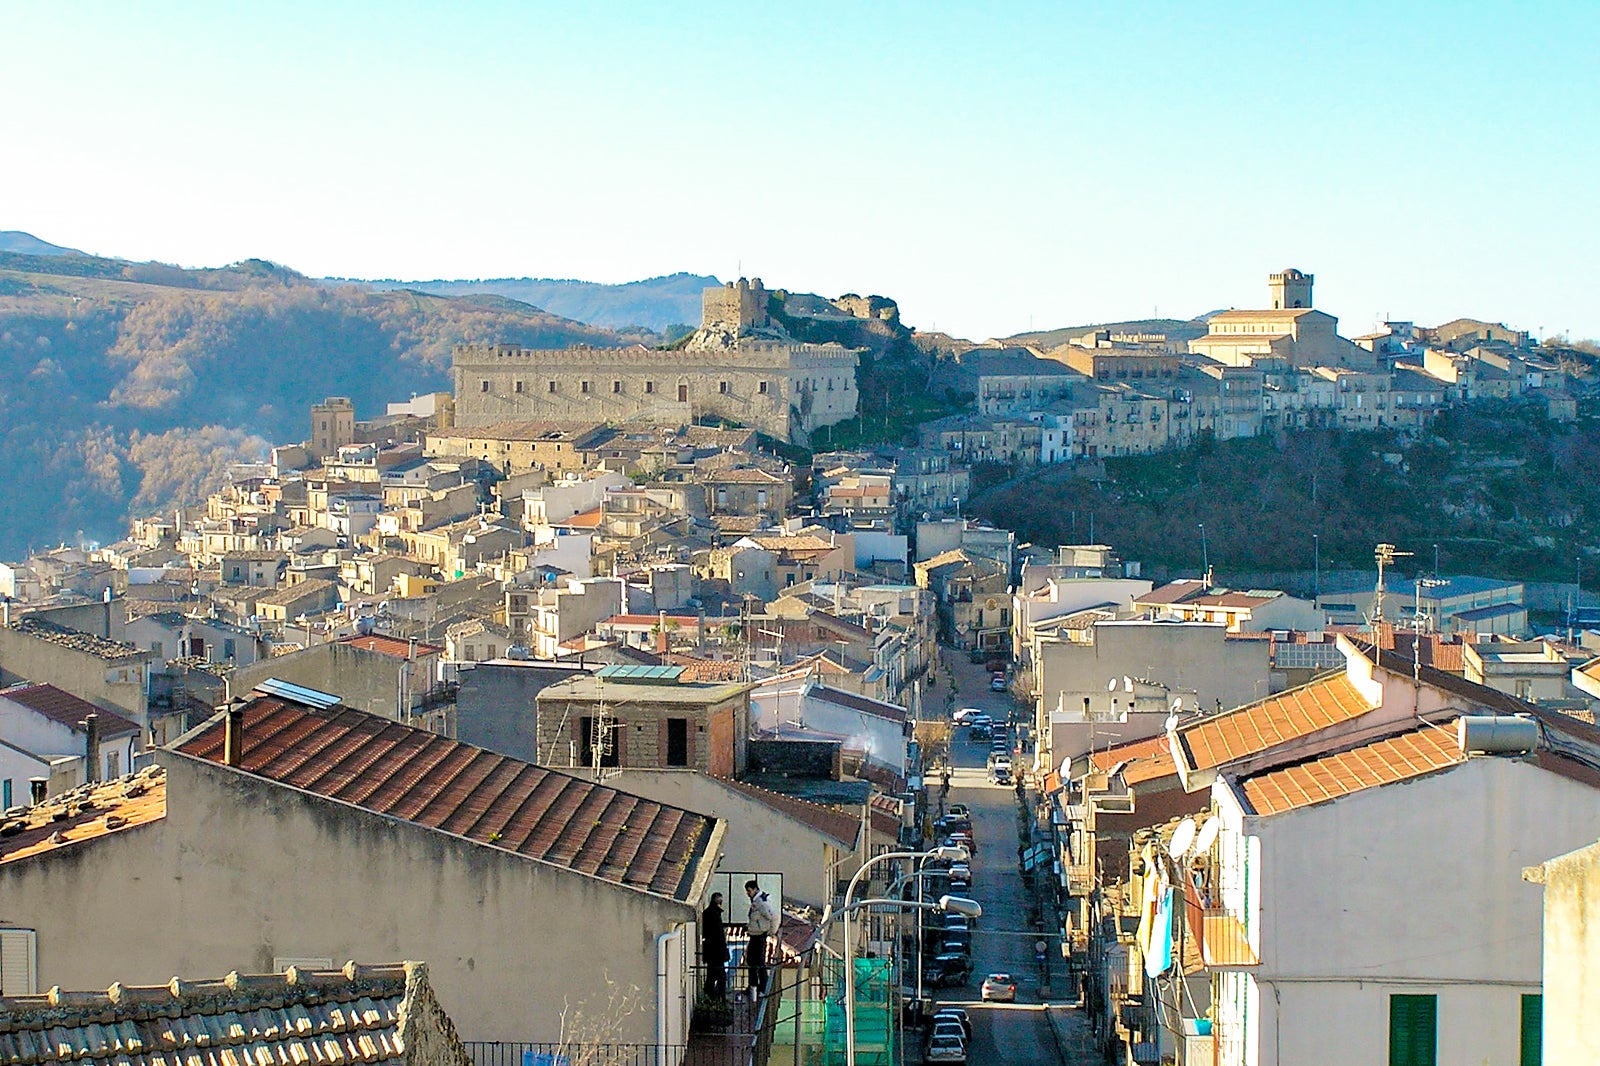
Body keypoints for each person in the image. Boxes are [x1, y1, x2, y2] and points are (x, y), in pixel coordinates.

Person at [744, 879, 779, 1000]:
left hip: (759, 936)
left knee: (758, 962)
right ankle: (753, 987)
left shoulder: (761, 902)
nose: (748, 894)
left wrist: (770, 931)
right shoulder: (757, 901)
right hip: (756, 934)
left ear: (755, 890)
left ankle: (762, 988)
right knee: (753, 961)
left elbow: (770, 916)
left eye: (749, 891)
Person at [702, 892, 729, 1000]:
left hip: (711, 951)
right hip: (716, 951)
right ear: (720, 902)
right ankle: (718, 996)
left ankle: (712, 994)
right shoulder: (714, 914)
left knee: (712, 974)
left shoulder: (709, 913)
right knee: (720, 975)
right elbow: (717, 936)